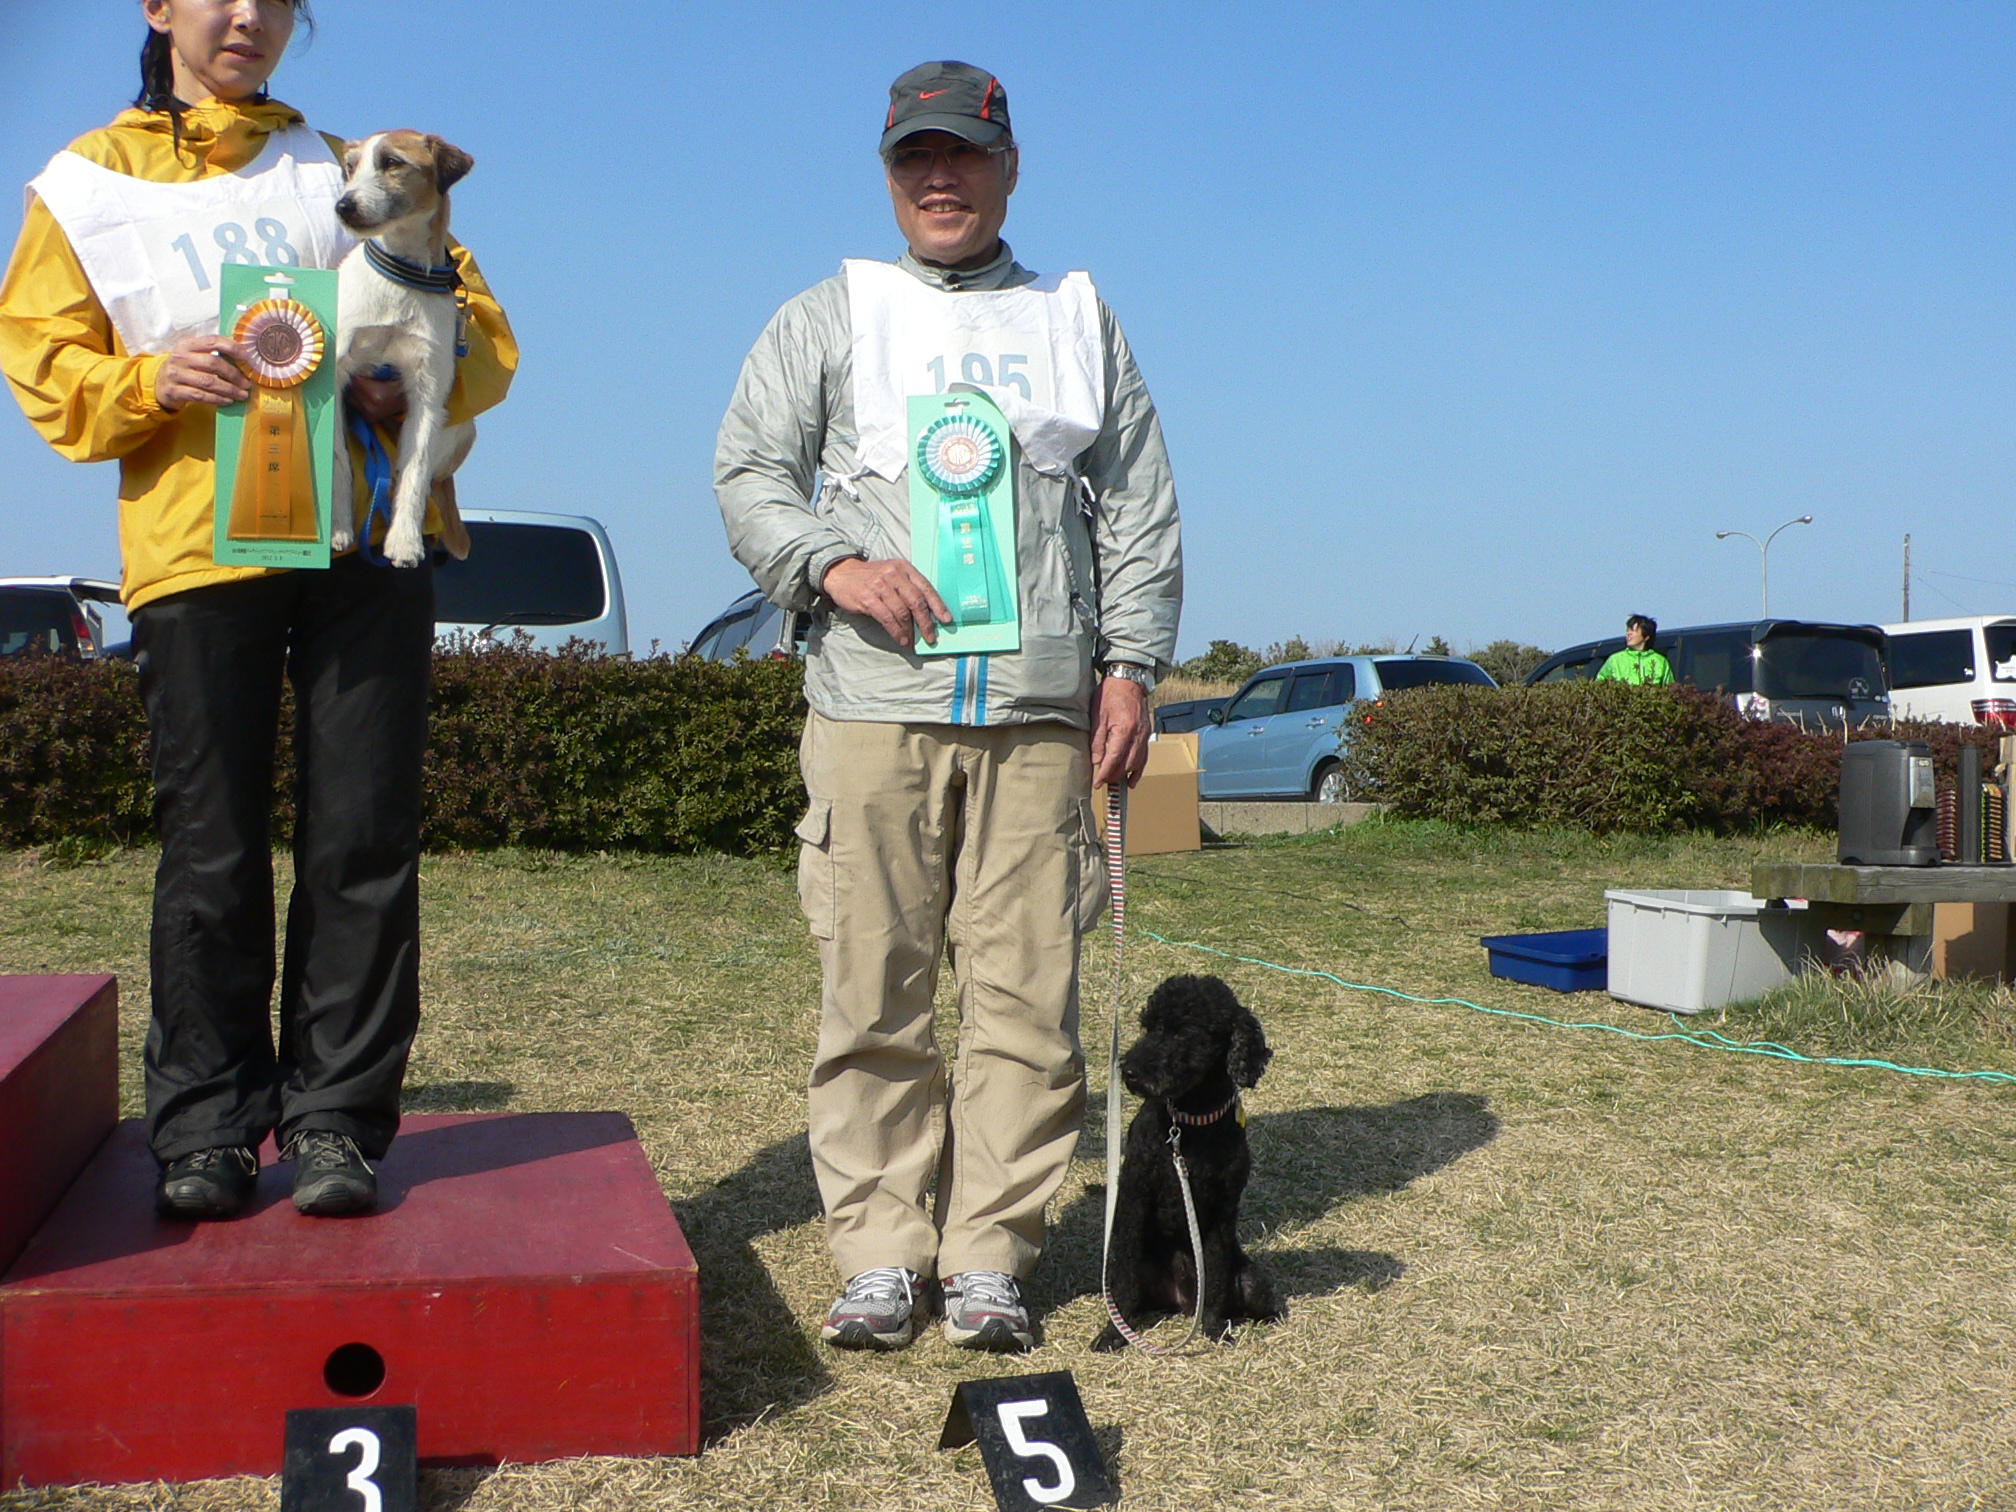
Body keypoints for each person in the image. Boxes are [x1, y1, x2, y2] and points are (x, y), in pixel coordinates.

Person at [0, 0, 517, 1220]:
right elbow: (44, 365)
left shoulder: (350, 169)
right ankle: (208, 1130)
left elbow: (481, 334)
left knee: (364, 837)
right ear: (158, 8)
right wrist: (149, 378)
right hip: (196, 547)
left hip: (364, 547)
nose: (249, 16)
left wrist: (410, 378)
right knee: (211, 848)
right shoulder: (85, 180)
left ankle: (337, 1121)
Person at [715, 61, 1182, 1352]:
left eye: (965, 155)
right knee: (874, 989)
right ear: (886, 175)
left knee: (1028, 1000)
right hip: (874, 709)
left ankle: (988, 1257)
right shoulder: (830, 315)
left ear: (1009, 168)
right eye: (916, 157)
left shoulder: (1076, 319)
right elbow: (749, 469)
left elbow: (1139, 503)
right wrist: (830, 566)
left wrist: (1133, 664)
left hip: (1039, 719)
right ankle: (880, 1251)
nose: (941, 178)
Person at [1597, 614, 1675, 685]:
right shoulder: (1615, 660)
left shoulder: (1660, 661)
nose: (1629, 633)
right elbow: (1599, 686)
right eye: (1627, 630)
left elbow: (1670, 690)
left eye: (1633, 630)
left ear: (1646, 637)